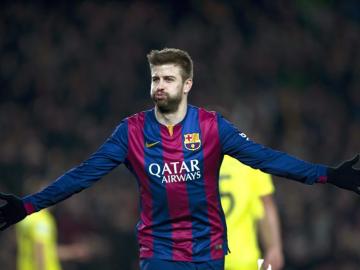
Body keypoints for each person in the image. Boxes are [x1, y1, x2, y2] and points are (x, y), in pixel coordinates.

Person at [0, 48, 359, 270]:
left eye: (168, 78)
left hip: (210, 252)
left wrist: (327, 175)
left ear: (186, 85)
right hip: (161, 252)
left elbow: (268, 160)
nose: (159, 85)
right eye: (155, 78)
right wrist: (29, 207)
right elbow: (81, 177)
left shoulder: (211, 127)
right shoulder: (131, 132)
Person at [220, 155, 283, 270]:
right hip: (242, 259)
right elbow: (266, 206)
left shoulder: (190, 161)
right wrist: (273, 247)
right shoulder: (251, 159)